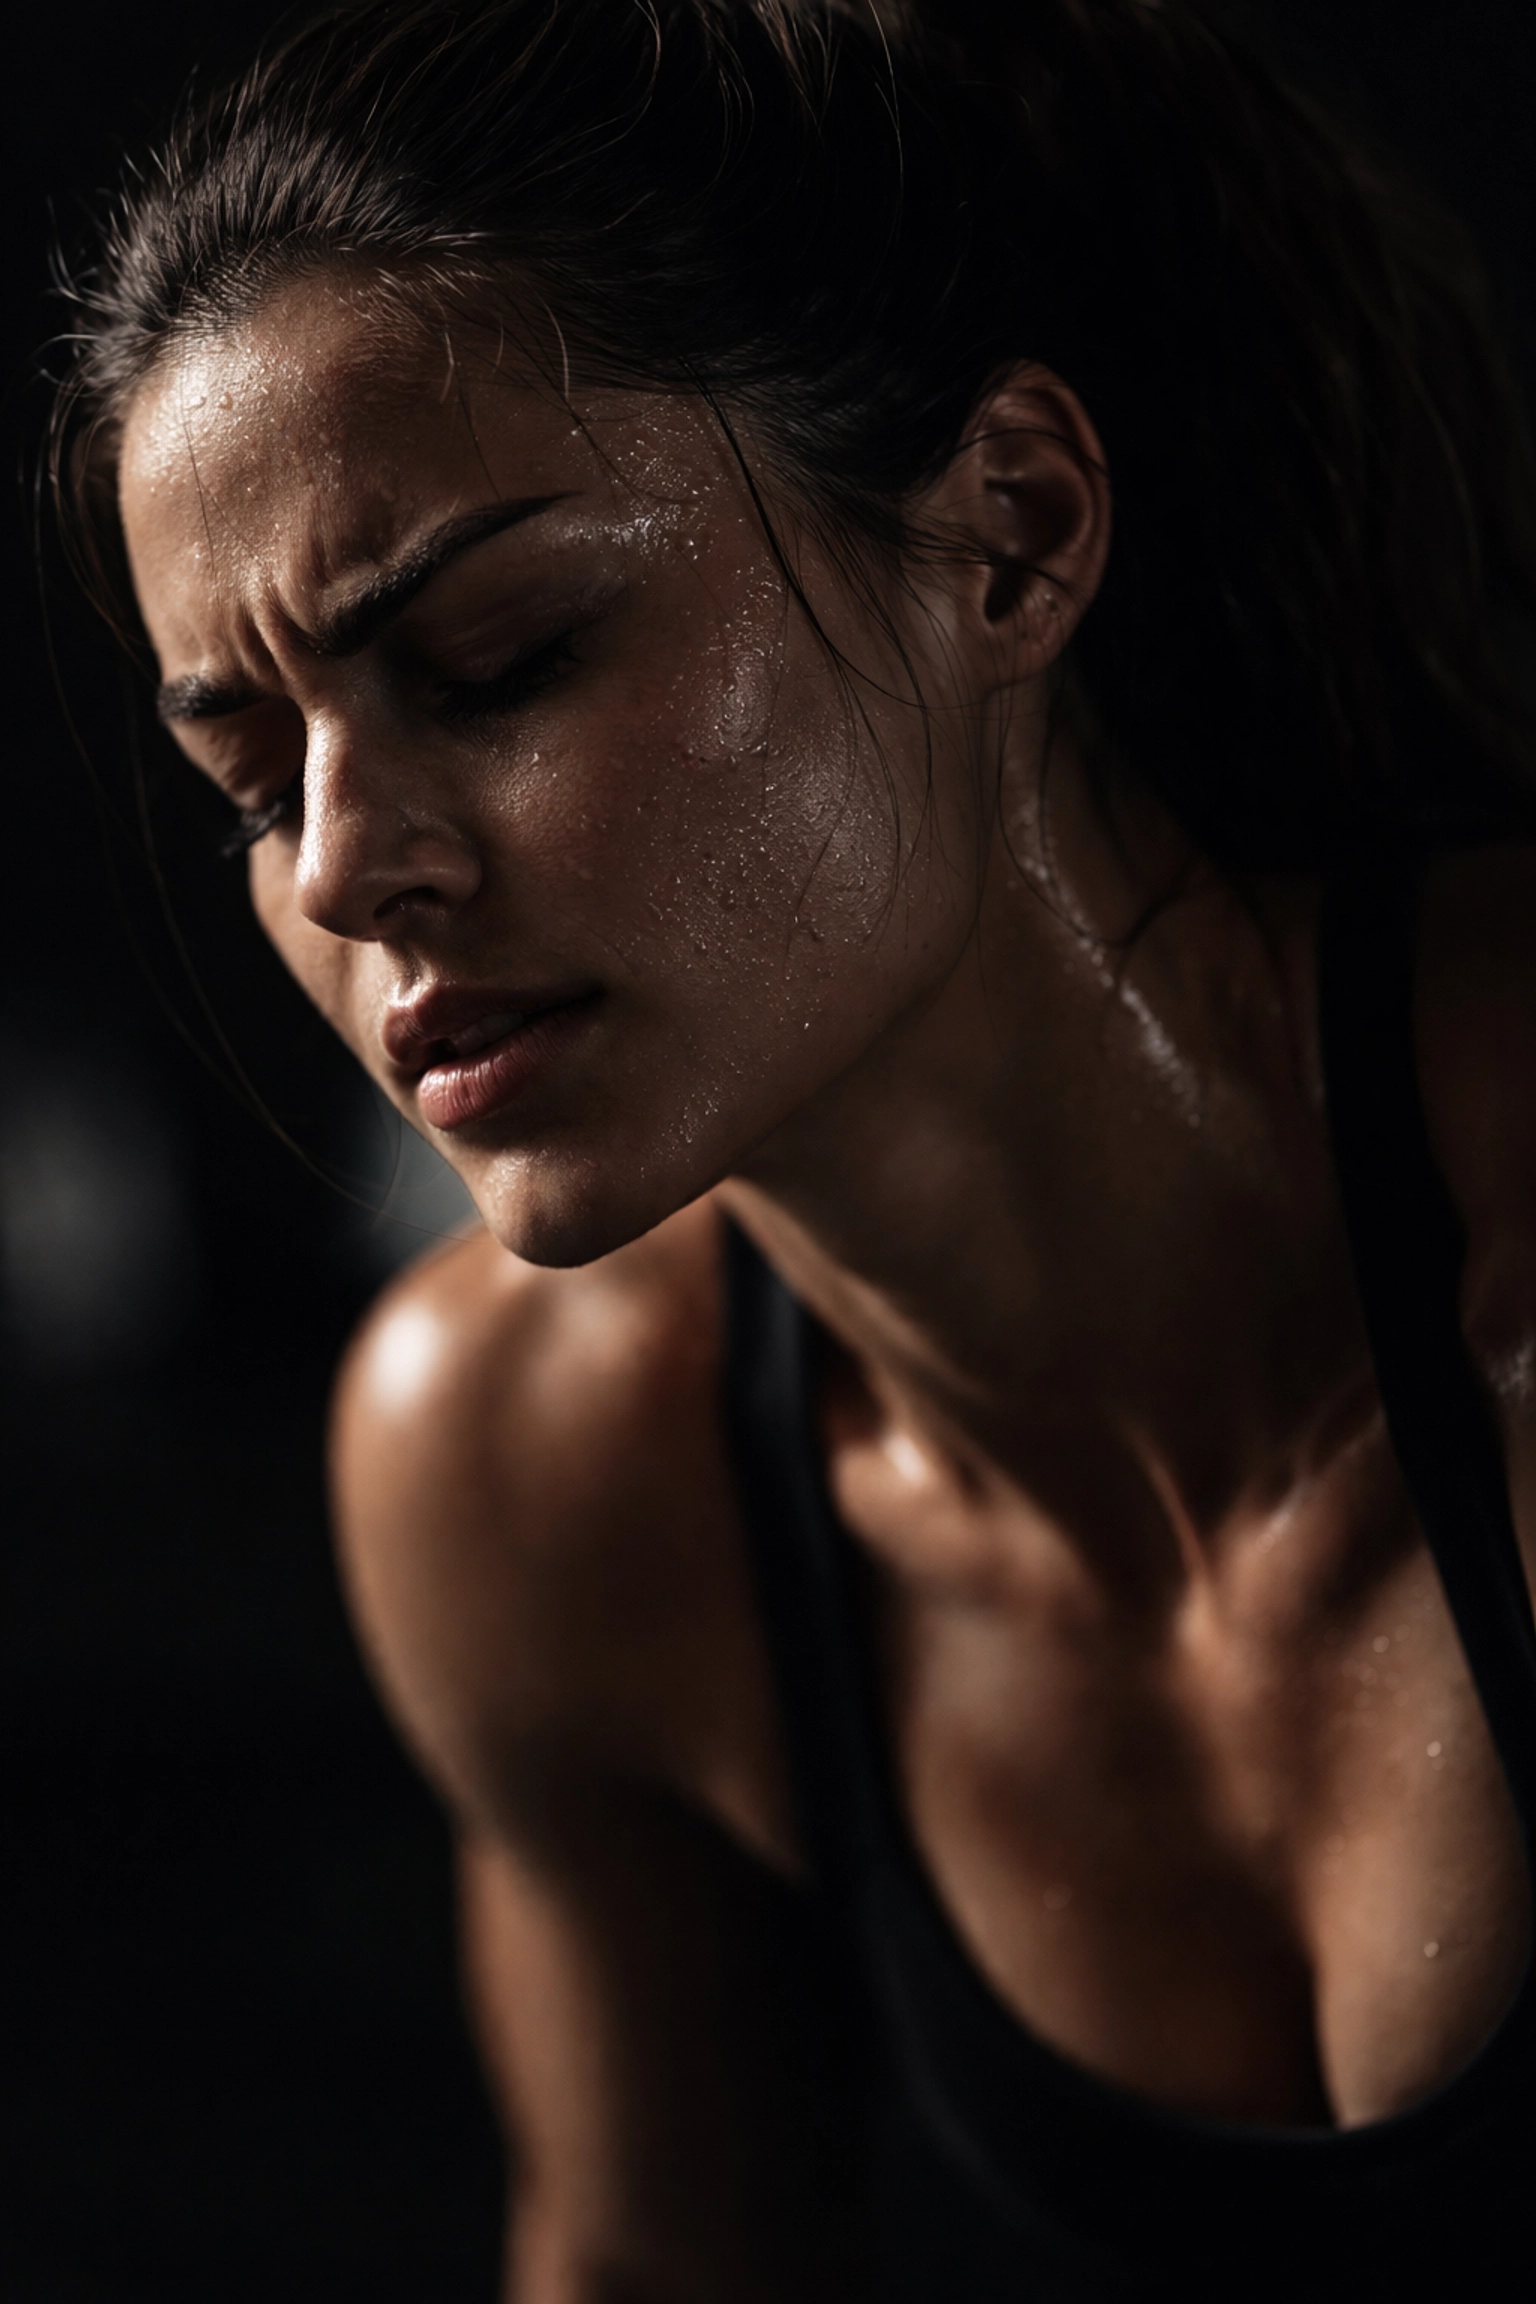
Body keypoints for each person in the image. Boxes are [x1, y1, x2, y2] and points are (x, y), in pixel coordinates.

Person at [53, 0, 1536, 2294]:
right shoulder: (548, 1466)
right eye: (254, 779)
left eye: (499, 653)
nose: (343, 874)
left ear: (1011, 537)